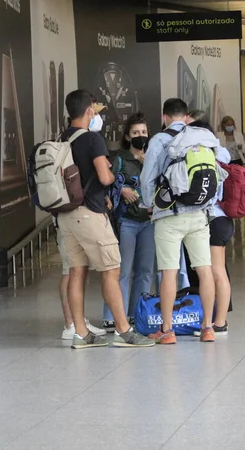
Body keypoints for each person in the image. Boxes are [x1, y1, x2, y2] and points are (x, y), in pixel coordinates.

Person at [57, 89, 154, 349]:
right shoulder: (92, 139)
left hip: (66, 215)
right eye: (95, 110)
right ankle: (124, 331)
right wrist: (112, 177)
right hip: (90, 213)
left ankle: (81, 333)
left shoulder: (62, 137)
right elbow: (104, 177)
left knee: (77, 271)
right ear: (89, 110)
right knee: (112, 269)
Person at [140, 98, 220, 344]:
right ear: (186, 117)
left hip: (169, 216)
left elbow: (147, 178)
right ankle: (207, 327)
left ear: (164, 117)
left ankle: (167, 330)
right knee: (204, 270)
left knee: (169, 272)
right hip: (199, 214)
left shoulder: (159, 140)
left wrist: (148, 204)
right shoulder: (200, 136)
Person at [102, 112, 155, 330]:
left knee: (145, 270)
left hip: (148, 221)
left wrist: (149, 164)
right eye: (135, 133)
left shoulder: (153, 158)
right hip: (127, 221)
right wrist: (121, 189)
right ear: (127, 136)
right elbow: (105, 184)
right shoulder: (119, 159)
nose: (140, 136)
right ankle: (113, 315)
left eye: (143, 132)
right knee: (122, 270)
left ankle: (136, 314)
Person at [187, 114, 233, 335]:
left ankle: (217, 323)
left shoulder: (204, 155)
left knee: (215, 272)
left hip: (213, 219)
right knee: (218, 271)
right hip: (223, 218)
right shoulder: (221, 152)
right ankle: (218, 321)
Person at [55, 218, 106, 339]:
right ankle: (71, 324)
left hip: (73, 224)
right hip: (68, 225)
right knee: (70, 271)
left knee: (77, 270)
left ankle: (77, 321)